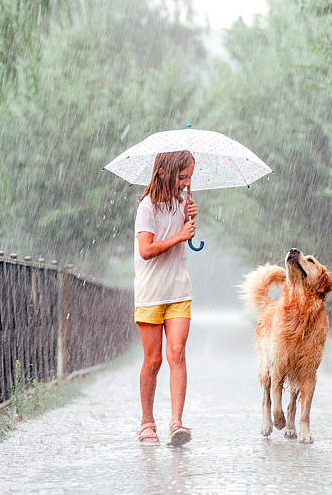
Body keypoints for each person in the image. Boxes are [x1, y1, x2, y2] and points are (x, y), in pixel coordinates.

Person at [133, 150, 197, 446]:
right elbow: (146, 250)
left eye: (189, 178)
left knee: (177, 353)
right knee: (154, 359)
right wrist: (179, 235)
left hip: (178, 291)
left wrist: (188, 220)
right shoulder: (147, 207)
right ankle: (147, 422)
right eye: (181, 177)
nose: (185, 183)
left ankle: (177, 423)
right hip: (150, 293)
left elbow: (184, 238)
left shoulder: (183, 202)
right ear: (163, 172)